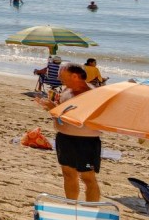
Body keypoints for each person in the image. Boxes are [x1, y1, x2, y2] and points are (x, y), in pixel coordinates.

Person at [39, 63, 103, 201]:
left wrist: (54, 109)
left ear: (75, 76)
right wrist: (52, 108)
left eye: (62, 76)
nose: (59, 78)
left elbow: (80, 119)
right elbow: (62, 115)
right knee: (68, 174)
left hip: (87, 141)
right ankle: (71, 206)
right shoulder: (66, 90)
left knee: (88, 177)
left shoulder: (93, 94)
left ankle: (90, 210)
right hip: (65, 138)